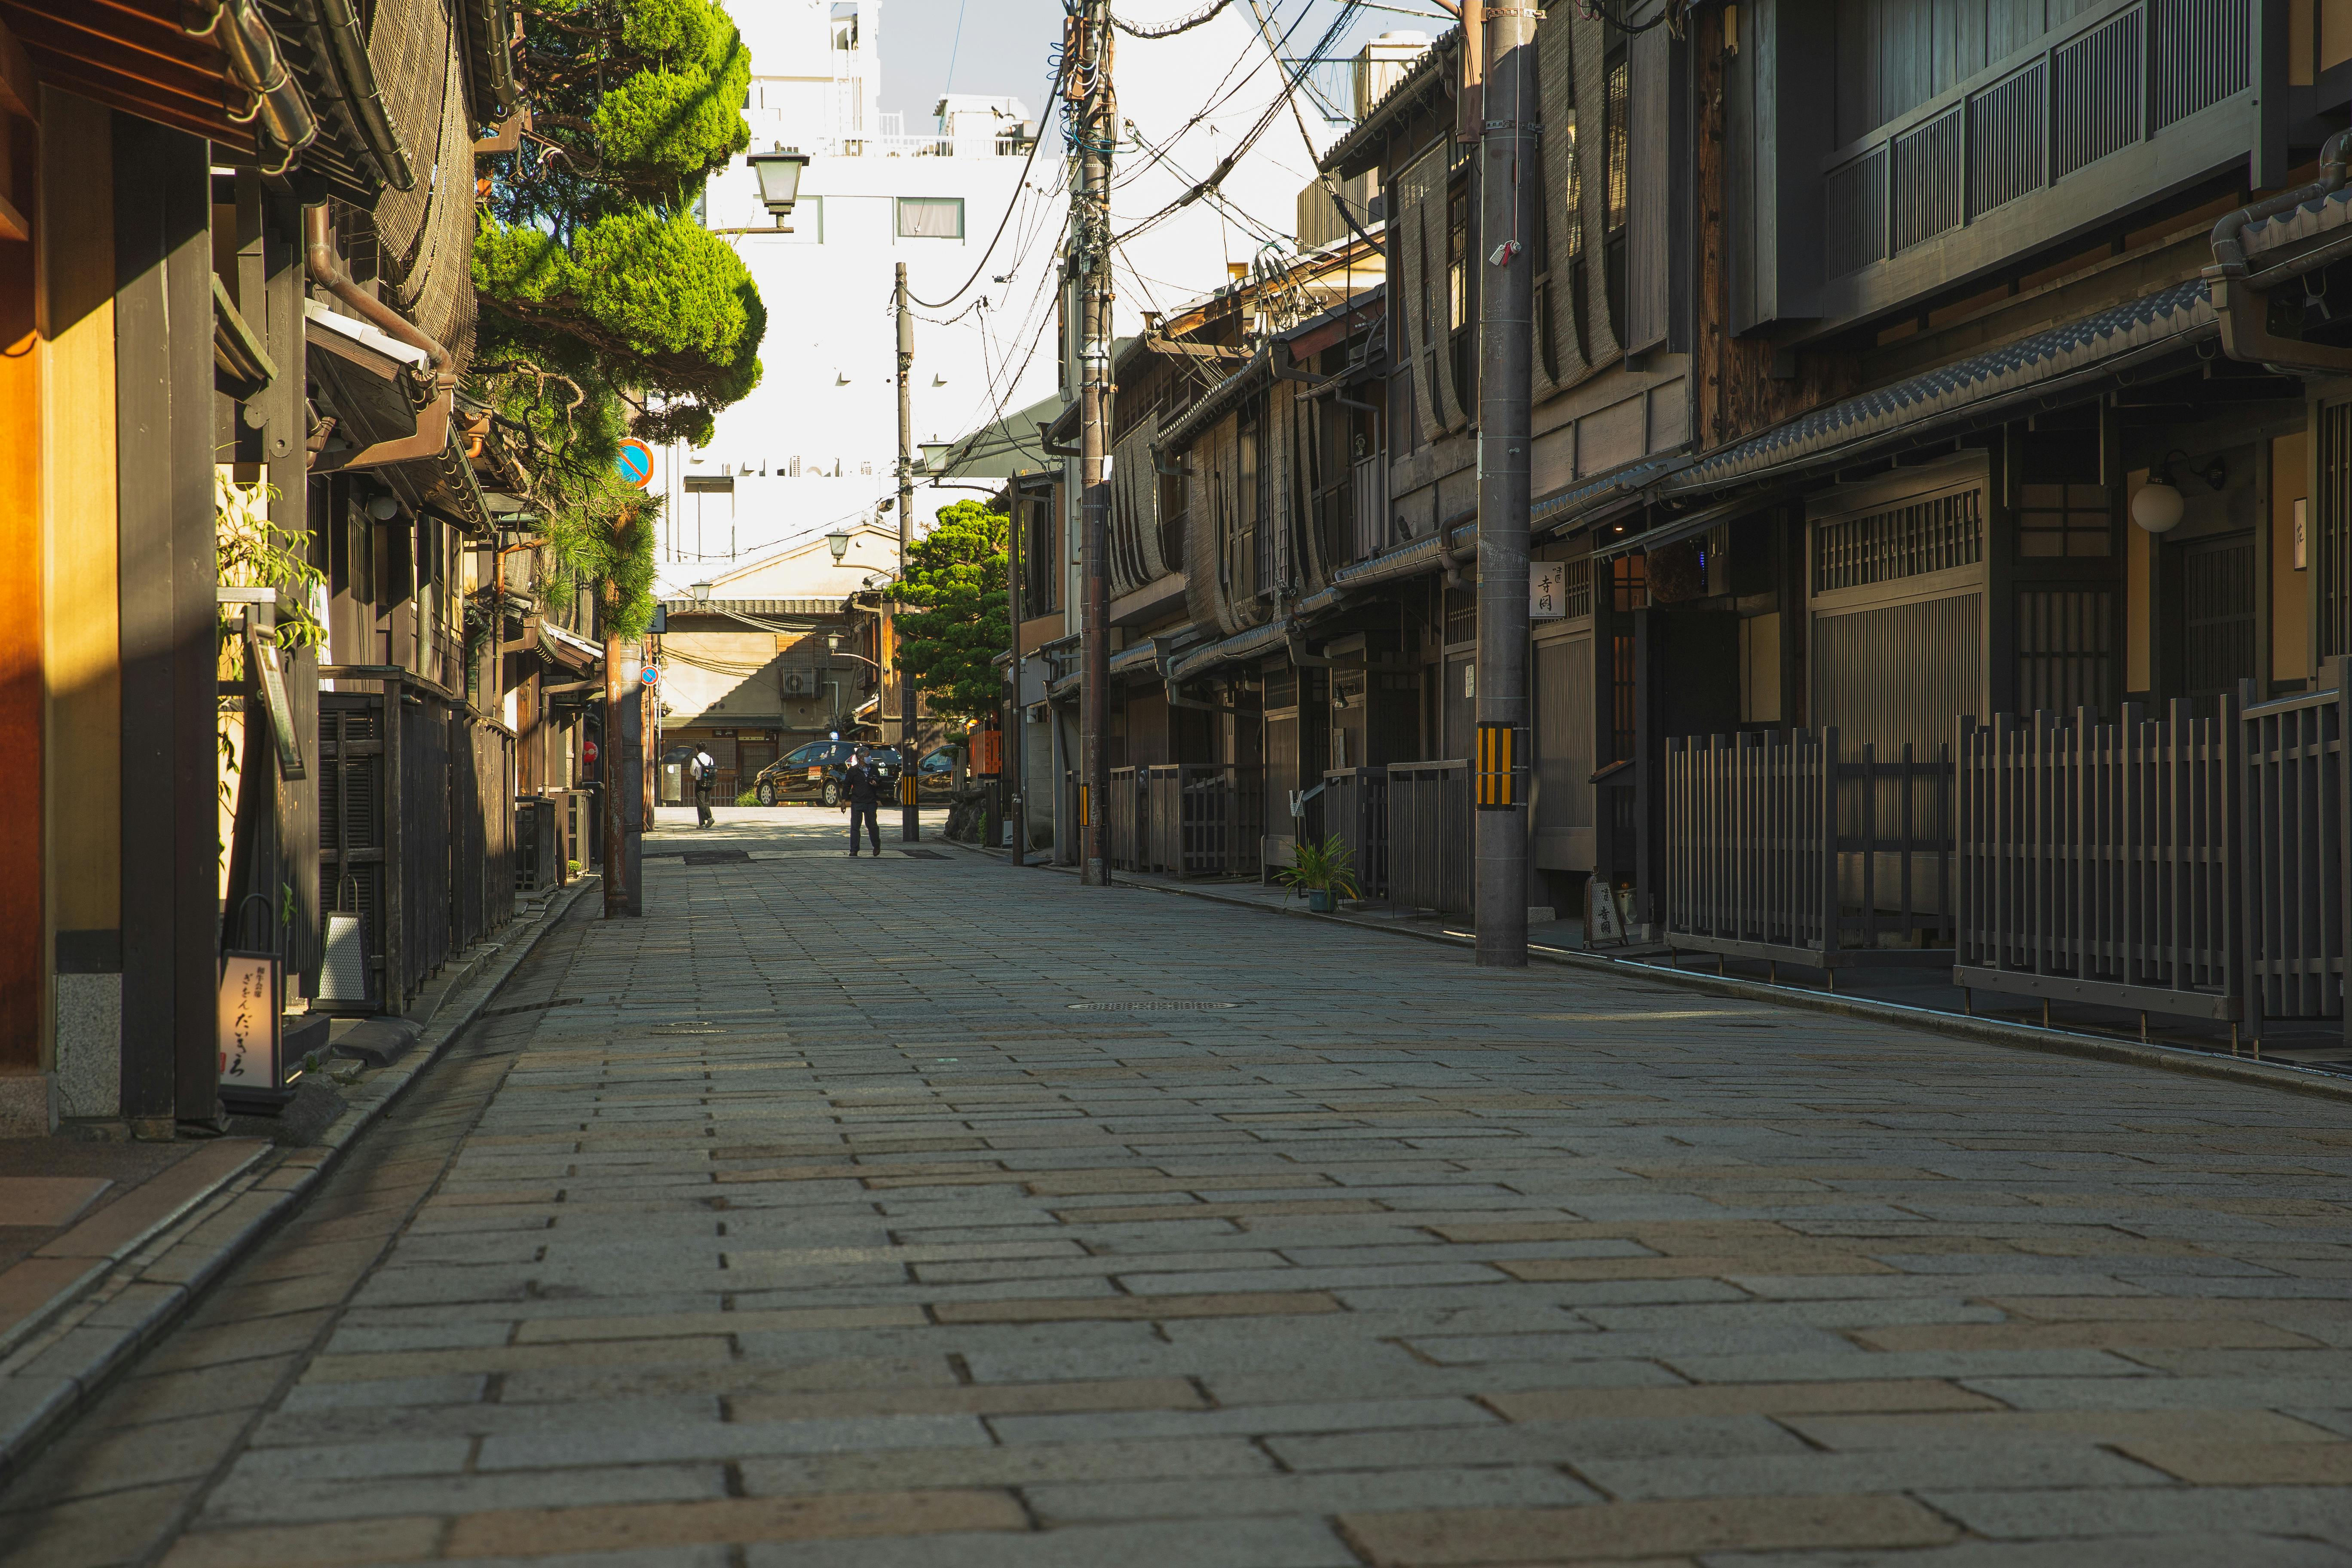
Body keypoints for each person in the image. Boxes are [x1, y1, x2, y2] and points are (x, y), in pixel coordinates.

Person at [840, 748, 882, 857]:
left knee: (872, 825)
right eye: (867, 755)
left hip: (871, 801)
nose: (869, 757)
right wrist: (844, 801)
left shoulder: (873, 768)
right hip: (857, 801)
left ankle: (876, 845)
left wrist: (876, 783)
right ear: (861, 758)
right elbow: (847, 786)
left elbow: (879, 781)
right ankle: (854, 850)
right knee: (855, 826)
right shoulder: (853, 771)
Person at [692, 747, 717, 828]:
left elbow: (692, 772)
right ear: (706, 749)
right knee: (706, 801)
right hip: (710, 782)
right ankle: (709, 818)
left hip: (700, 782)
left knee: (700, 802)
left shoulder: (695, 759)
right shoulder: (710, 758)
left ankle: (702, 823)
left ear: (697, 749)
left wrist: (697, 773)